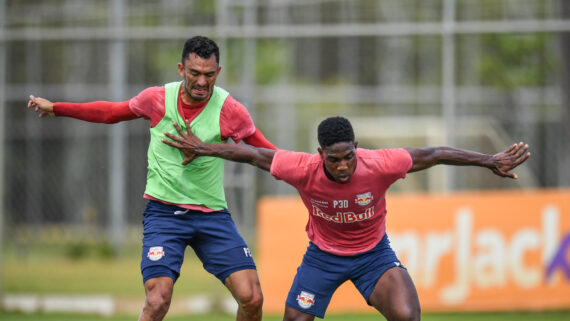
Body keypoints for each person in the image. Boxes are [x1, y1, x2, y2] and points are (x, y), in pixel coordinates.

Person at [161, 116, 531, 321]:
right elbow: (252, 155)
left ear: (357, 149)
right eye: (334, 159)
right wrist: (202, 147)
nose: (342, 166)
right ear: (320, 153)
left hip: (374, 256)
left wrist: (489, 160)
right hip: (322, 259)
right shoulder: (302, 169)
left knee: (407, 316)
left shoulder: (381, 164)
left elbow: (433, 153)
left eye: (349, 156)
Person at [27, 36, 276, 321]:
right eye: (195, 73)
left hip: (212, 215)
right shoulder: (157, 99)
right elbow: (110, 113)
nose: (202, 82)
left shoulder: (229, 109)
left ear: (218, 73)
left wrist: (310, 169)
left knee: (252, 298)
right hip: (165, 213)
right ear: (181, 69)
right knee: (157, 300)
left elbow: (266, 153)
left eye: (209, 75)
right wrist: (57, 108)